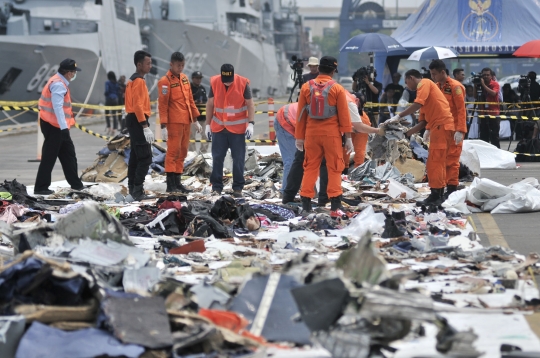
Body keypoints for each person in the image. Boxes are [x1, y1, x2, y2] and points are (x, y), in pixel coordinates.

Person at [295, 56, 353, 214]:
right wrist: (348, 138)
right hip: (331, 134)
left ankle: (306, 203)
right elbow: (344, 116)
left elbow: (300, 115)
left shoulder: (306, 87)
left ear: (318, 68)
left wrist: (299, 137)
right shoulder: (337, 88)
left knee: (310, 167)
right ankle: (335, 204)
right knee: (334, 168)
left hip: (311, 134)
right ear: (333, 71)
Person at [392, 69, 455, 206]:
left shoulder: (424, 83)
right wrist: (407, 134)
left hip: (442, 126)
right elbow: (423, 122)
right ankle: (437, 192)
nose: (406, 85)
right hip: (438, 127)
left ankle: (436, 194)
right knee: (434, 161)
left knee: (435, 162)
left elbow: (417, 104)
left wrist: (399, 116)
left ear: (411, 78)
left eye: (406, 82)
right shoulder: (425, 95)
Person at [34, 59, 84, 195]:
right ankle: (41, 187)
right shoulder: (58, 85)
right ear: (68, 73)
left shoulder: (57, 81)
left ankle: (76, 184)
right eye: (73, 72)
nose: (74, 74)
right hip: (54, 126)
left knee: (68, 155)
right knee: (50, 157)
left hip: (55, 125)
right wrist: (63, 129)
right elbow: (58, 108)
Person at [205, 64, 255, 198]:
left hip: (237, 130)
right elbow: (210, 104)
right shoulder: (215, 82)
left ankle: (238, 188)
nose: (227, 82)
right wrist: (207, 124)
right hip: (219, 129)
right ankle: (216, 187)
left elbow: (250, 104)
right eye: (224, 79)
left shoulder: (243, 83)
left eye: (229, 79)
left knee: (238, 159)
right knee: (217, 159)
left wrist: (250, 124)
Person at [158, 52, 202, 193]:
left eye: (182, 65)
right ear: (171, 64)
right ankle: (170, 185)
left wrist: (195, 119)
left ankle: (178, 183)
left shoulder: (184, 79)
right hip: (174, 123)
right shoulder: (165, 82)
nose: (181, 68)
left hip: (186, 122)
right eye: (178, 66)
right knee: (173, 152)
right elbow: (163, 105)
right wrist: (163, 126)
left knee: (183, 152)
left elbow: (190, 101)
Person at [429, 60, 467, 199]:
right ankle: (443, 186)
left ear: (442, 72)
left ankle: (452, 187)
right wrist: (428, 127)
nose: (433, 77)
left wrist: (461, 130)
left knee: (452, 159)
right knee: (441, 159)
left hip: (454, 129)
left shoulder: (456, 87)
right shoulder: (437, 87)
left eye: (434, 74)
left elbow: (461, 110)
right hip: (442, 129)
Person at [125, 50, 154, 201]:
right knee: (145, 157)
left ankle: (133, 188)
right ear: (139, 64)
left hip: (134, 119)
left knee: (136, 157)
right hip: (138, 121)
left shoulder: (134, 80)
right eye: (148, 63)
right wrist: (145, 126)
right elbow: (137, 105)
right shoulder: (138, 82)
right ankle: (137, 190)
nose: (150, 66)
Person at [478, 67, 501, 148]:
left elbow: (494, 93)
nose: (486, 77)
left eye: (488, 75)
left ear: (491, 76)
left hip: (493, 113)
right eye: (484, 75)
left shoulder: (495, 84)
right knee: (484, 136)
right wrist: (476, 85)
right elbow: (475, 96)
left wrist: (483, 85)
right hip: (483, 113)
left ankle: (496, 154)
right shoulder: (480, 84)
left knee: (494, 136)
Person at [189, 71, 208, 153]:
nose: (198, 80)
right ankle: (192, 154)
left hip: (202, 117)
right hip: (192, 118)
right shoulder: (188, 87)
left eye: (200, 78)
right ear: (193, 78)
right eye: (197, 78)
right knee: (191, 137)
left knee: (205, 136)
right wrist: (195, 102)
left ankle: (203, 153)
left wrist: (202, 103)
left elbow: (205, 101)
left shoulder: (202, 88)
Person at [104, 71, 120, 136]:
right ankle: (114, 129)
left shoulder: (107, 82)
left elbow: (107, 90)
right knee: (114, 114)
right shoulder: (116, 83)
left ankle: (109, 127)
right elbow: (118, 91)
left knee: (107, 113)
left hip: (109, 99)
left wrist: (106, 94)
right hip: (115, 99)